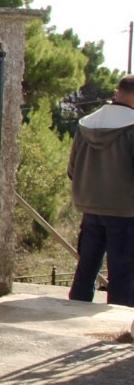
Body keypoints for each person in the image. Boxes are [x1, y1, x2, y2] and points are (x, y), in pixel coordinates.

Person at [68, 75, 134, 306]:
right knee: (123, 273)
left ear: (118, 92)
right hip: (125, 210)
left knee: (86, 268)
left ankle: (74, 313)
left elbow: (72, 168)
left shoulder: (87, 123)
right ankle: (121, 325)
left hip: (89, 206)